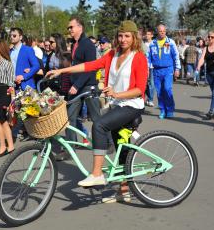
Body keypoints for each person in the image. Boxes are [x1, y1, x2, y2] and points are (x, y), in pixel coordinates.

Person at [46, 20, 147, 195]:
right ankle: (125, 190)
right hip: (116, 105)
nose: (123, 39)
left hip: (131, 104)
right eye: (120, 36)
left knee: (99, 125)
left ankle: (97, 173)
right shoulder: (112, 54)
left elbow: (140, 89)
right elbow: (89, 66)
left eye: (127, 36)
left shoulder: (139, 57)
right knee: (121, 145)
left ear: (134, 38)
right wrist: (62, 71)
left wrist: (116, 94)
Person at [55, 17, 101, 161]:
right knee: (70, 118)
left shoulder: (87, 44)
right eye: (68, 28)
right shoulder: (76, 44)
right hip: (78, 87)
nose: (69, 30)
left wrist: (76, 85)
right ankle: (70, 149)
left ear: (80, 27)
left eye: (71, 27)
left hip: (88, 85)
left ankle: (108, 143)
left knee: (97, 118)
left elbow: (90, 69)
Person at [148, 24, 180, 119]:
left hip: (168, 69)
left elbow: (176, 56)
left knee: (167, 89)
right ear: (157, 31)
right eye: (160, 31)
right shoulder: (152, 43)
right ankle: (162, 110)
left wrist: (177, 69)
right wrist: (148, 68)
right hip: (156, 70)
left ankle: (170, 109)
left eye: (164, 31)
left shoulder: (170, 42)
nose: (162, 33)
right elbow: (148, 58)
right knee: (159, 92)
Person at [0, 39, 15, 158]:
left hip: (4, 93)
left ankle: (2, 146)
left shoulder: (8, 64)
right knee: (3, 121)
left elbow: (11, 84)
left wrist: (12, 100)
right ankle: (10, 145)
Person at [196, 31, 214, 119]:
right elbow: (202, 58)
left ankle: (211, 112)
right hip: (209, 73)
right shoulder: (206, 48)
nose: (210, 38)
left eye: (212, 37)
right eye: (209, 37)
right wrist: (198, 66)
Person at [143, 30, 155, 107]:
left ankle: (150, 99)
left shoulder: (154, 43)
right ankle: (144, 98)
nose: (147, 35)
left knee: (151, 83)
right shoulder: (143, 44)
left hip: (152, 66)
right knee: (144, 83)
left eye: (148, 34)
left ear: (152, 35)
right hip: (144, 66)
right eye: (146, 34)